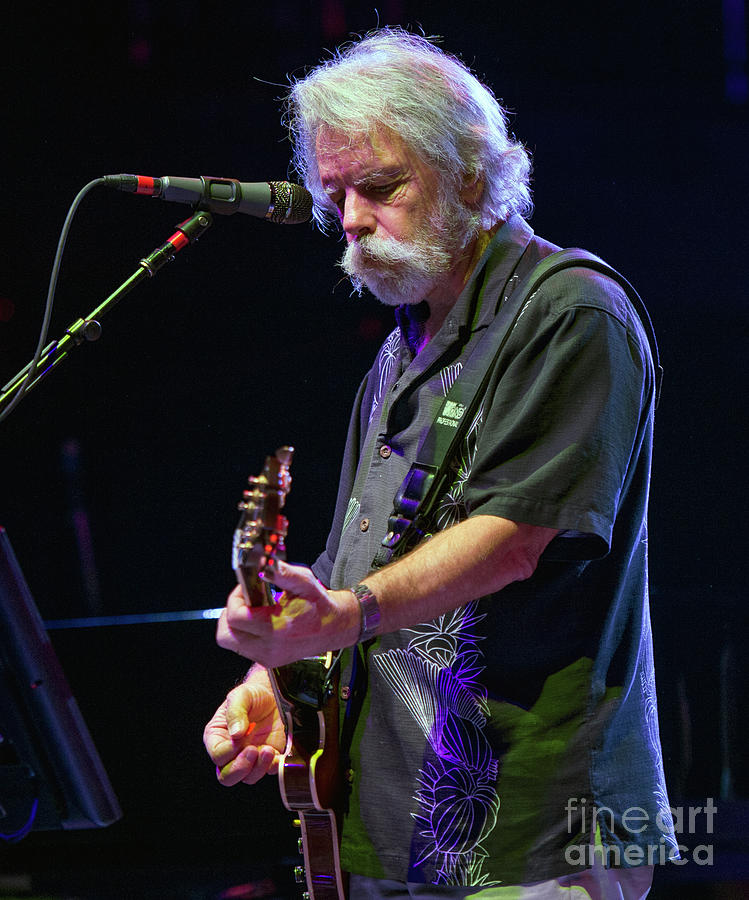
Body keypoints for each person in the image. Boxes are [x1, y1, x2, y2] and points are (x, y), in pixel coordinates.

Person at [204, 28, 676, 899]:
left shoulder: (572, 310)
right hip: (395, 825)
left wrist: (340, 616)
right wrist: (280, 675)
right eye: (333, 192)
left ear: (468, 171)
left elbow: (514, 538)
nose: (348, 219)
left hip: (539, 821)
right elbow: (362, 568)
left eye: (378, 187)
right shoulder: (398, 353)